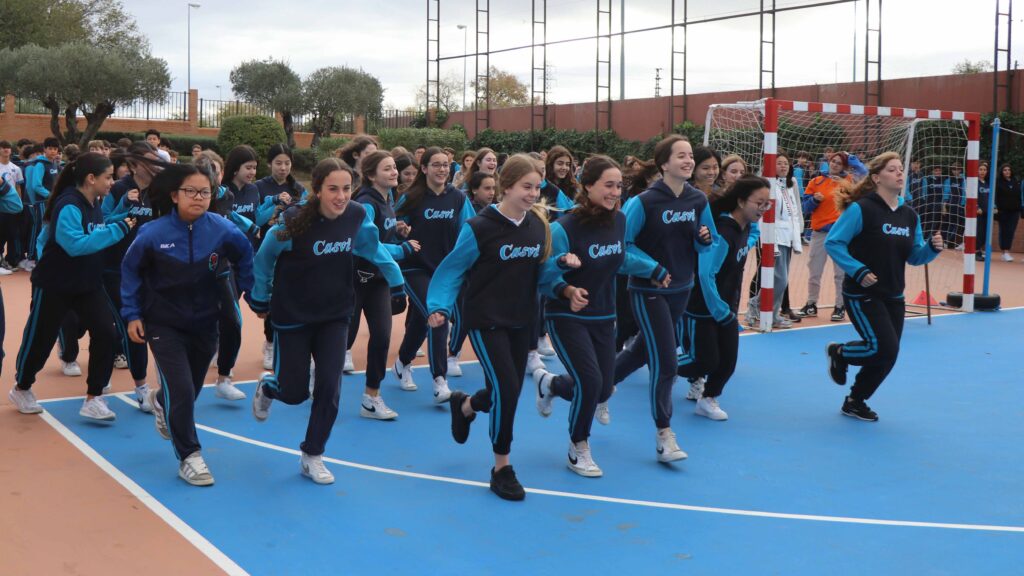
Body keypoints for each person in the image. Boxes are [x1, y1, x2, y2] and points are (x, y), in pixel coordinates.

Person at [250, 158, 405, 484]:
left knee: (329, 388)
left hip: (335, 314)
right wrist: (260, 297)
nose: (341, 196)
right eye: (333, 189)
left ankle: (313, 454)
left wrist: (396, 282)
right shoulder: (294, 222)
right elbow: (264, 258)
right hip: (292, 315)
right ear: (317, 190)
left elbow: (374, 249)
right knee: (294, 393)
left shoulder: (355, 216)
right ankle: (269, 387)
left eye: (347, 188)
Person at [427, 154, 569, 500]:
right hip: (486, 320)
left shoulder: (539, 225)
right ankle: (501, 467)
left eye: (537, 187)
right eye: (526, 186)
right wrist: (439, 306)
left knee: (502, 391)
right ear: (506, 186)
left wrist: (563, 271)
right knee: (508, 389)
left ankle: (465, 406)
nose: (533, 193)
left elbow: (543, 275)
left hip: (522, 320)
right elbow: (451, 270)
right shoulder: (479, 227)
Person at [122, 163, 254, 486]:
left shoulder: (222, 229)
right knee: (181, 387)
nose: (198, 198)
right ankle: (190, 456)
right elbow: (131, 273)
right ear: (174, 195)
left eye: (205, 192)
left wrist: (248, 291)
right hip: (163, 323)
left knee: (189, 390)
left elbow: (245, 254)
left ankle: (160, 402)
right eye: (191, 192)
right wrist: (132, 314)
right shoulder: (152, 234)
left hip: (207, 322)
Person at [532, 155, 664, 477]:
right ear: (587, 185)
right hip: (566, 317)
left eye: (619, 186)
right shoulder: (563, 227)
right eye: (608, 185)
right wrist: (565, 282)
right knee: (590, 384)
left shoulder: (618, 221)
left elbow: (619, 259)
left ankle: (549, 385)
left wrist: (653, 269)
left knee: (604, 388)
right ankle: (578, 447)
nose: (615, 192)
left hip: (604, 317)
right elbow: (542, 276)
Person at [610, 135, 716, 462]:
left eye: (690, 156)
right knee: (666, 361)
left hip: (681, 289)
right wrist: (651, 267)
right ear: (664, 163)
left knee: (639, 353)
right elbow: (621, 247)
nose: (688, 161)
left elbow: (706, 242)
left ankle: (566, 387)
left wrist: (703, 239)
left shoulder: (698, 200)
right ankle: (664, 436)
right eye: (680, 156)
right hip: (647, 291)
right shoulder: (642, 202)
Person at [8, 153, 133, 419]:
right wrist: (118, 229)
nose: (113, 181)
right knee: (40, 339)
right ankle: (22, 386)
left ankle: (93, 398)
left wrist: (122, 216)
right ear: (91, 178)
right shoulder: (69, 204)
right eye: (108, 177)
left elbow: (95, 228)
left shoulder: (94, 201)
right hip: (55, 283)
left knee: (106, 333)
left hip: (87, 283)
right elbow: (75, 244)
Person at [825, 152, 943, 421]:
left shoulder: (910, 216)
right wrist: (858, 269)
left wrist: (931, 250)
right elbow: (834, 242)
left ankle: (855, 401)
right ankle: (839, 353)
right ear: (877, 178)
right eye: (893, 169)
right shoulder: (861, 209)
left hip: (894, 294)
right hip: (861, 293)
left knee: (888, 355)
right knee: (883, 348)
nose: (900, 173)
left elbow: (914, 257)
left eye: (901, 169)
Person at [676, 176, 770, 421]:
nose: (762, 208)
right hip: (702, 306)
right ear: (740, 201)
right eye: (758, 203)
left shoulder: (745, 227)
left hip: (725, 306)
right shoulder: (722, 231)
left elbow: (744, 249)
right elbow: (706, 275)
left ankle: (707, 400)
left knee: (728, 360)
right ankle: (662, 362)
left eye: (766, 204)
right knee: (703, 361)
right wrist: (718, 309)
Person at [393, 147, 475, 400]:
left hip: (444, 271)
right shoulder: (411, 197)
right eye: (436, 165)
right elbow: (392, 228)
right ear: (425, 168)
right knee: (438, 315)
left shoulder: (459, 199)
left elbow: (471, 230)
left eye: (446, 165)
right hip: (415, 267)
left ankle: (403, 361)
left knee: (421, 320)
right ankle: (440, 380)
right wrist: (400, 230)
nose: (442, 169)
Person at [343, 151, 419, 418]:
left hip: (378, 281)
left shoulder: (387, 199)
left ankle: (371, 397)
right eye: (387, 169)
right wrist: (402, 251)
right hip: (355, 278)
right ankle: (318, 372)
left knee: (382, 336)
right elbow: (365, 246)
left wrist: (396, 231)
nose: (394, 172)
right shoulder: (365, 203)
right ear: (372, 175)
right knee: (345, 338)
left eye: (394, 168)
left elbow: (379, 235)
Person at [101, 142, 162, 411]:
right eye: (150, 160)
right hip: (116, 267)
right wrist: (125, 206)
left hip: (150, 271)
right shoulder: (118, 188)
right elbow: (102, 221)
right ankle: (140, 386)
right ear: (135, 164)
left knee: (144, 327)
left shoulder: (162, 190)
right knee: (129, 326)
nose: (156, 165)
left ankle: (105, 376)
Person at [214, 145, 271, 400]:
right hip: (223, 259)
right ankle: (216, 347)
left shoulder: (254, 190)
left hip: (247, 256)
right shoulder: (222, 194)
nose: (252, 172)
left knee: (234, 312)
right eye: (248, 167)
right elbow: (228, 219)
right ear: (234, 168)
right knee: (226, 310)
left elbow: (257, 221)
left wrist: (270, 208)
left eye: (255, 167)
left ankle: (224, 364)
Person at [254, 144, 305, 370]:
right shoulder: (259, 187)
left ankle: (290, 342)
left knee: (291, 297)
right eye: (278, 163)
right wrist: (275, 202)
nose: (283, 168)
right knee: (272, 299)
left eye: (287, 163)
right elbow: (258, 218)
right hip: (268, 248)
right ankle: (270, 343)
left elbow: (306, 215)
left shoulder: (298, 188)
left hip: (293, 250)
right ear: (269, 164)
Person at [798, 151, 852, 321]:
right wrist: (814, 200)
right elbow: (805, 208)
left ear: (844, 166)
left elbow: (858, 201)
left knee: (840, 273)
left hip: (840, 235)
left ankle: (840, 306)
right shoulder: (816, 181)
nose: (835, 164)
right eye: (833, 161)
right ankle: (811, 303)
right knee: (814, 271)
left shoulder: (849, 182)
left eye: (839, 163)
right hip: (820, 233)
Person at [770, 152, 804, 329]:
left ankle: (764, 309)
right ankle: (769, 311)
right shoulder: (769, 184)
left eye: (785, 163)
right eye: (779, 163)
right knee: (779, 279)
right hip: (773, 236)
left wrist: (798, 231)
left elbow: (797, 206)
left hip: (789, 236)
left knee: (778, 278)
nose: (783, 166)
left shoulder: (792, 184)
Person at [22, 138, 62, 269]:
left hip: (52, 202)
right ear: (44, 149)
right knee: (40, 229)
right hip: (42, 202)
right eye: (50, 148)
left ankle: (44, 257)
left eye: (55, 149)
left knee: (49, 230)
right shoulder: (40, 164)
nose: (52, 151)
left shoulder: (54, 165)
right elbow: (36, 185)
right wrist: (50, 196)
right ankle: (32, 258)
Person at [994, 164, 1020, 262]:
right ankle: (1005, 252)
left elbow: (1019, 196)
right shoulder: (998, 182)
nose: (1007, 171)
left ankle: (1007, 251)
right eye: (1005, 170)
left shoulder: (1015, 181)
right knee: (1003, 231)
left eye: (1009, 170)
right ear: (1001, 172)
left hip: (1014, 212)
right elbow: (995, 196)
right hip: (1003, 211)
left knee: (1011, 231)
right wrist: (996, 209)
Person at [976, 162, 991, 262]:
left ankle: (980, 250)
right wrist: (977, 207)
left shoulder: (987, 183)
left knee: (985, 233)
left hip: (987, 212)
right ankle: (976, 252)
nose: (982, 172)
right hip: (978, 213)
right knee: (979, 232)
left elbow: (990, 197)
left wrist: (994, 207)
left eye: (984, 170)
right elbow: (972, 196)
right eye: (980, 169)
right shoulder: (974, 182)